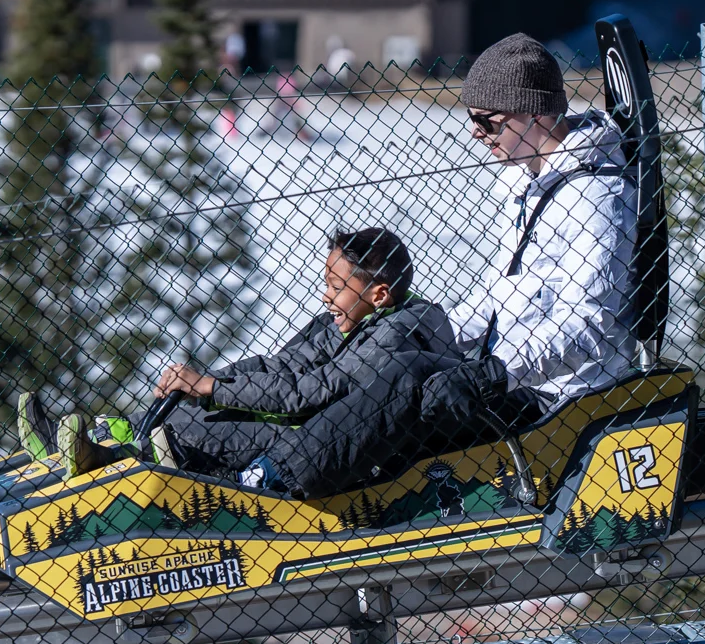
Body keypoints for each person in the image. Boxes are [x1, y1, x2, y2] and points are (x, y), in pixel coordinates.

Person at [216, 33, 640, 496]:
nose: (477, 133)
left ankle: (279, 483)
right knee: (381, 343)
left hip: (554, 395)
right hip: (505, 372)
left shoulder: (595, 198)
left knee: (406, 375)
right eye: (473, 121)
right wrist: (428, 329)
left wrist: (492, 373)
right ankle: (226, 447)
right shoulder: (534, 183)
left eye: (489, 122)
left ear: (535, 114)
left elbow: (589, 325)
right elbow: (506, 296)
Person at [16, 229, 454, 478]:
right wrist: (208, 385)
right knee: (195, 411)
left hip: (325, 439)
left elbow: (308, 393)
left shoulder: (393, 338)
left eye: (338, 287)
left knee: (215, 428)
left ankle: (110, 460)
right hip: (310, 417)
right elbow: (281, 366)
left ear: (378, 294)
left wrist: (213, 390)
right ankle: (92, 444)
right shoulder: (351, 321)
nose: (325, 296)